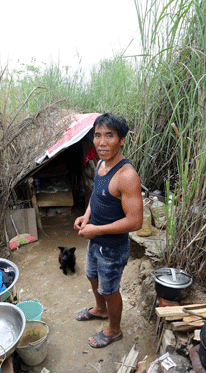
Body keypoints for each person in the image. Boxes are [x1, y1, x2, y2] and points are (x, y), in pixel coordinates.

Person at [74, 113, 143, 348]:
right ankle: (100, 310)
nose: (102, 142)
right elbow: (96, 196)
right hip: (96, 239)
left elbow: (135, 222)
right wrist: (86, 216)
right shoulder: (102, 164)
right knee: (91, 275)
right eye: (97, 135)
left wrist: (97, 230)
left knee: (110, 289)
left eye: (109, 136)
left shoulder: (127, 176)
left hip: (113, 248)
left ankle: (114, 330)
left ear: (121, 140)